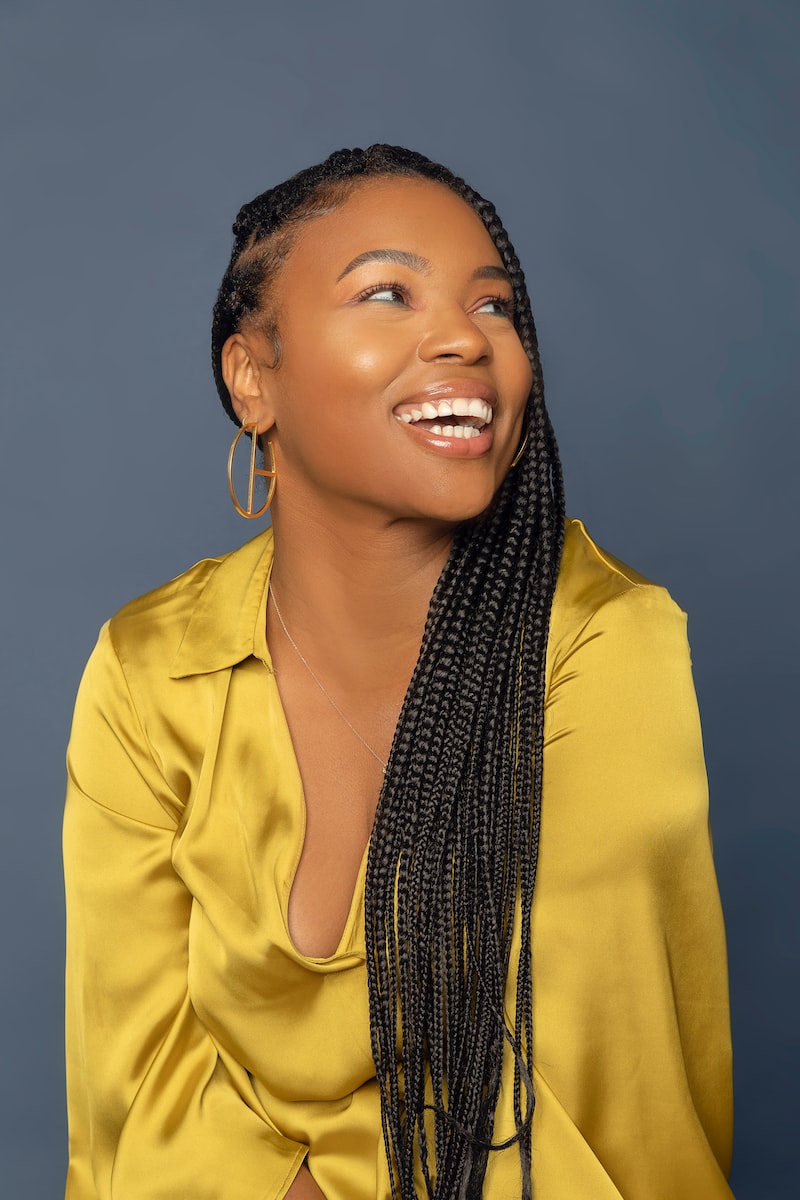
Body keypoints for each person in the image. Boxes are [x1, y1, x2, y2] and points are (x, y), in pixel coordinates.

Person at [63, 145, 734, 1199]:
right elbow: (131, 1086)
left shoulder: (601, 643)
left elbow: (569, 1100)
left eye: (497, 308)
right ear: (253, 378)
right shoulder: (152, 670)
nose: (467, 337)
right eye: (387, 292)